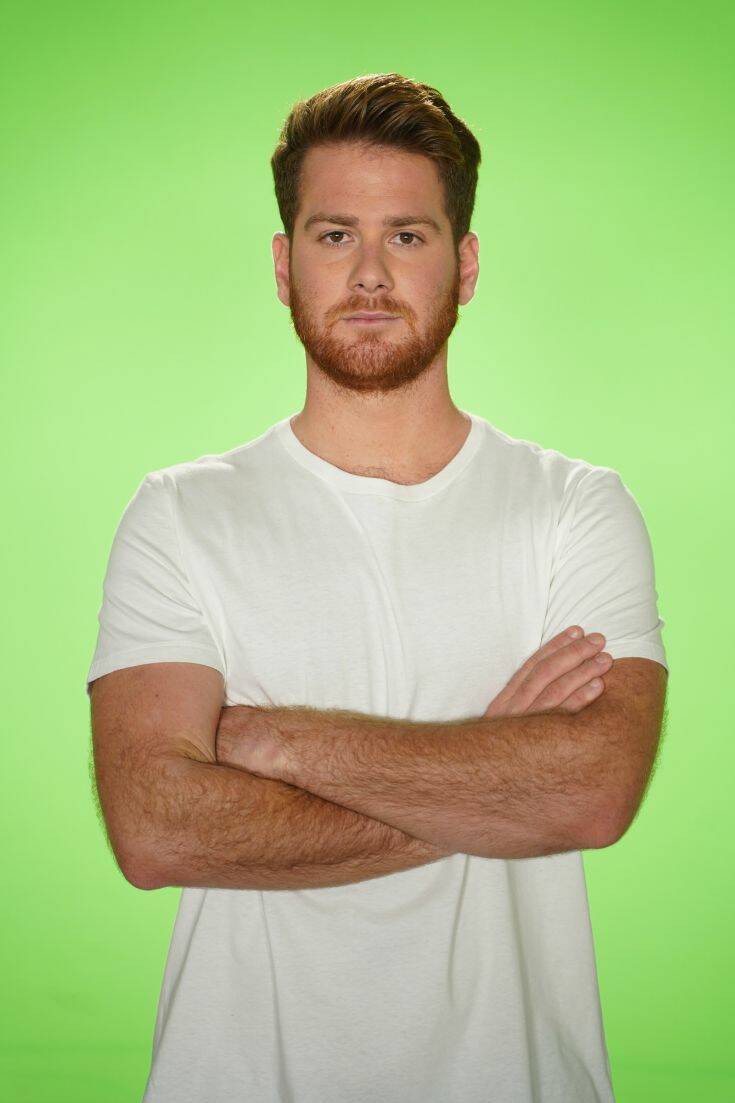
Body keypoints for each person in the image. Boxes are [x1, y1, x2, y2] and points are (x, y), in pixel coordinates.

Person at [86, 72, 669, 1103]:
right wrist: (493, 776)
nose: (367, 273)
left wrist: (274, 743)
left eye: (406, 235)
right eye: (333, 235)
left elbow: (592, 792)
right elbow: (156, 827)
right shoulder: (181, 513)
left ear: (465, 263)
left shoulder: (573, 507)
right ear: (283, 264)